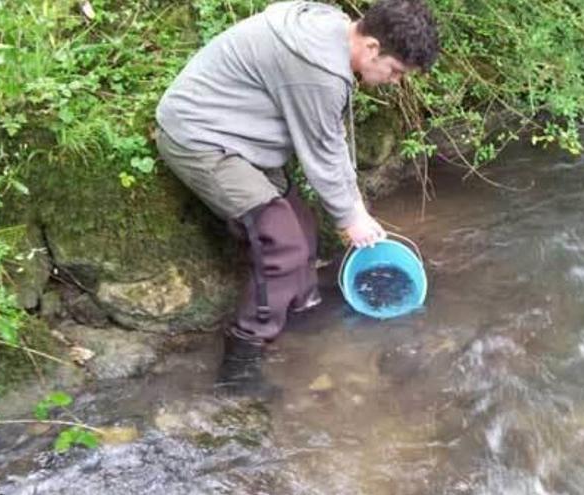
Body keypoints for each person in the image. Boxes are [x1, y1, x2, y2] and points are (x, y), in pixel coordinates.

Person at [155, 0, 439, 397]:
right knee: (283, 246)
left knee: (303, 228)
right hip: (202, 138)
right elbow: (322, 153)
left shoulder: (333, 28)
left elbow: (331, 139)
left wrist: (353, 209)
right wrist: (351, 218)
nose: (394, 81)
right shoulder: (318, 71)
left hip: (243, 136)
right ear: (373, 47)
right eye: (395, 72)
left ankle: (300, 311)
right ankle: (240, 364)